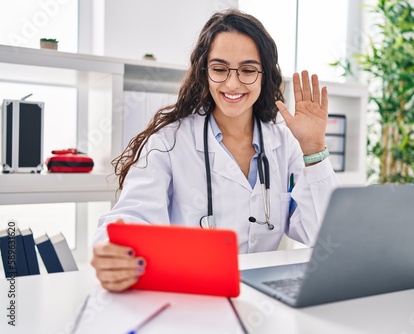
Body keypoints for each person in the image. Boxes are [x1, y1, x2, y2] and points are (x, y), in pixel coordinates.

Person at [91, 8, 342, 292]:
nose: (232, 83)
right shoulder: (169, 142)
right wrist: (112, 251)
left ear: (264, 75)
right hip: (192, 296)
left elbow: (322, 235)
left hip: (264, 302)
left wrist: (314, 150)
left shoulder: (285, 145)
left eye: (247, 70)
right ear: (204, 72)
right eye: (220, 69)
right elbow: (131, 218)